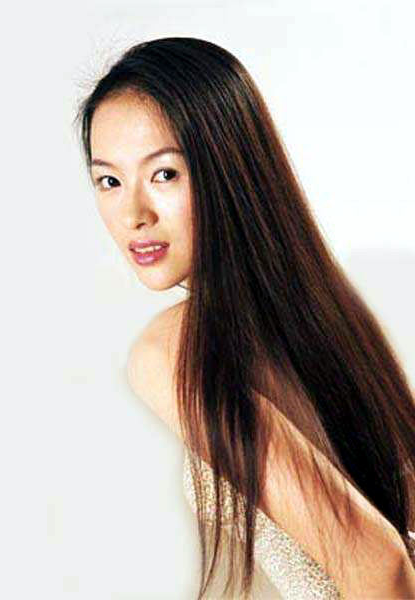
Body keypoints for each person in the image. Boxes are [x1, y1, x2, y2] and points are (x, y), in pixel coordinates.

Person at [73, 37, 415, 599]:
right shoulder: (327, 312)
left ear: (228, 168)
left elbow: (380, 563)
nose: (133, 214)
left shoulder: (174, 347)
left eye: (165, 174)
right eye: (109, 181)